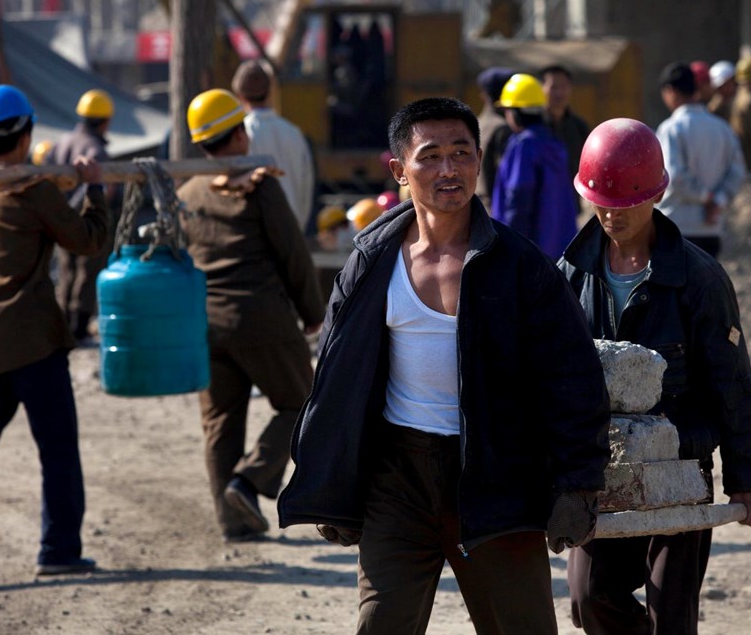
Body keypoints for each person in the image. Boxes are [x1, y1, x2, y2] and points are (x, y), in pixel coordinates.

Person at [278, 97, 611, 634]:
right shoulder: (370, 261)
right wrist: (331, 481)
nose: (448, 169)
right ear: (399, 170)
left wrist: (578, 484)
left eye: (461, 153)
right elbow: (336, 377)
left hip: (496, 478)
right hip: (398, 481)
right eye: (430, 156)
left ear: (480, 160)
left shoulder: (520, 267)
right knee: (381, 625)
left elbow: (572, 380)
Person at [559, 118, 751, 635]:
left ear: (655, 194)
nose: (611, 214)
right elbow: (554, 379)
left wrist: (746, 481)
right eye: (600, 201)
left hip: (679, 467)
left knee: (671, 617)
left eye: (625, 201)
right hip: (601, 468)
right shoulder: (571, 274)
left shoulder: (697, 280)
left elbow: (731, 382)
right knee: (590, 600)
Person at [0, 85, 110, 587]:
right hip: (34, 343)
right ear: (26, 131)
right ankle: (58, 549)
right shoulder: (34, 192)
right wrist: (94, 190)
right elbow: (88, 241)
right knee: (56, 447)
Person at [176, 89, 325, 543]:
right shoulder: (258, 184)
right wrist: (313, 312)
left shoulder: (188, 192)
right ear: (239, 133)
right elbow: (292, 252)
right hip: (262, 319)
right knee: (303, 405)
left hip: (206, 325)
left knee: (221, 422)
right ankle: (247, 482)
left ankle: (232, 519)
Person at [655, 62, 746, 258]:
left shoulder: (671, 128)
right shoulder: (722, 128)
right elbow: (737, 172)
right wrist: (718, 200)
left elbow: (675, 177)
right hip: (711, 229)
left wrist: (706, 197)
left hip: (677, 227)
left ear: (670, 91)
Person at [51, 88, 118, 344]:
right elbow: (107, 189)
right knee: (88, 272)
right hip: (87, 220)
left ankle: (64, 324)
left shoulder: (63, 142)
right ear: (106, 121)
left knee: (66, 271)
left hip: (60, 217)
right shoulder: (95, 150)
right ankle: (78, 328)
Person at [491, 73, 578, 259]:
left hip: (527, 252)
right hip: (558, 250)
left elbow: (518, 196)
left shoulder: (523, 144)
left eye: (507, 110)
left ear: (515, 112)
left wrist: (510, 246)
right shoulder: (554, 142)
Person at [231, 59, 316, 230]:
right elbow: (307, 183)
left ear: (239, 96)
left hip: (260, 233)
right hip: (294, 230)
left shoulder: (243, 135)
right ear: (270, 92)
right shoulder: (293, 132)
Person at [540, 64, 592, 190]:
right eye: (553, 87)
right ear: (542, 88)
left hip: (571, 201)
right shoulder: (533, 126)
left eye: (564, 87)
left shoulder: (579, 127)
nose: (559, 93)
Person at [473, 66, 514, 208]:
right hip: (496, 209)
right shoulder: (504, 128)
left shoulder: (476, 123)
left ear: (484, 95)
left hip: (475, 205)